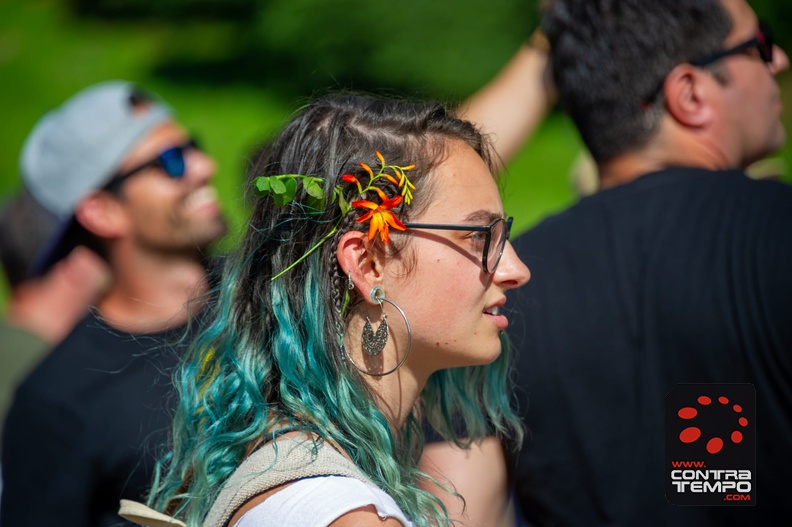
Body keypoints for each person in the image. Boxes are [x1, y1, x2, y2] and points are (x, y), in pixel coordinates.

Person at [420, 0, 792, 525]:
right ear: (689, 93)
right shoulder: (778, 235)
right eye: (758, 46)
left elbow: (457, 510)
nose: (778, 60)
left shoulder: (493, 298)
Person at [117, 94, 530, 527]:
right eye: (480, 236)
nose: (516, 269)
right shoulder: (347, 515)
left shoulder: (280, 463)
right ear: (368, 263)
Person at [0, 80, 228, 527]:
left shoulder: (271, 295)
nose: (204, 166)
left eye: (192, 146)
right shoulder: (56, 400)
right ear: (102, 211)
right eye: (170, 161)